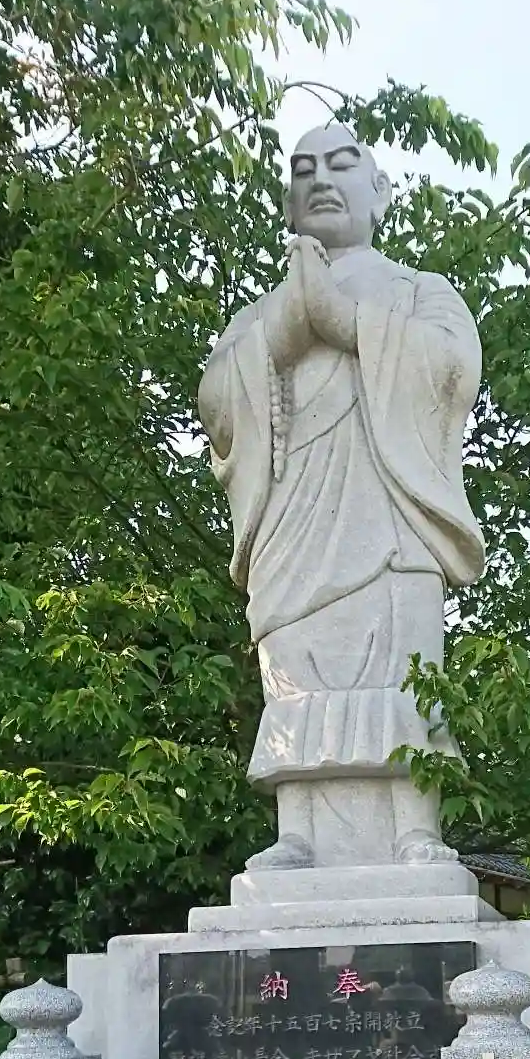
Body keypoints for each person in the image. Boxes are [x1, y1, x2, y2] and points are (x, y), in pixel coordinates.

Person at [198, 122, 485, 873]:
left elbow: (454, 372)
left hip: (390, 516)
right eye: (304, 169)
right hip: (294, 519)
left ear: (380, 193)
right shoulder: (261, 316)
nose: (321, 178)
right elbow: (216, 404)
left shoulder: (420, 292)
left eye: (341, 164)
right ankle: (298, 831)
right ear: (289, 203)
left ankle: (413, 828)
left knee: (399, 663)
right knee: (299, 663)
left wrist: (350, 322)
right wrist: (287, 332)